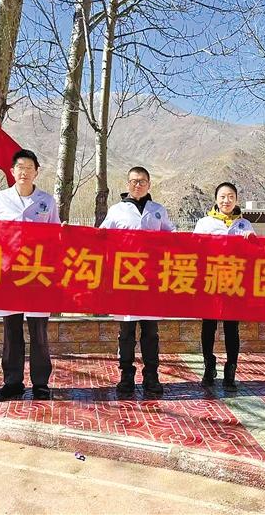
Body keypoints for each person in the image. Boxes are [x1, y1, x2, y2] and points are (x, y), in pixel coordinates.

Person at [0, 149, 60, 401]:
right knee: (11, 331)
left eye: (29, 168)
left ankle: (41, 383)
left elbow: (56, 236)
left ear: (36, 172)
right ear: (12, 171)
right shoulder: (0, 199)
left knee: (39, 332)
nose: (24, 172)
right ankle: (12, 382)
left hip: (37, 275)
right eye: (20, 167)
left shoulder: (47, 201)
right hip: (9, 275)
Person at [100, 166, 175, 396]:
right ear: (127, 184)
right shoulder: (116, 211)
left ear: (149, 184)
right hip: (125, 280)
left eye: (142, 181)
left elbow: (173, 238)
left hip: (151, 281)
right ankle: (126, 376)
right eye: (134, 181)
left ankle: (151, 376)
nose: (138, 185)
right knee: (126, 332)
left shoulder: (158, 210)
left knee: (151, 332)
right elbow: (100, 237)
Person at [193, 182, 254, 390]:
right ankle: (209, 366)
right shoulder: (204, 223)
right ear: (216, 199)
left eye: (230, 197)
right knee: (208, 326)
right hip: (210, 280)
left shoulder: (245, 224)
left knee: (231, 328)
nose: (226, 201)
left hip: (234, 281)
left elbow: (254, 255)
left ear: (236, 199)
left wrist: (251, 242)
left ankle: (230, 370)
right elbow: (194, 249)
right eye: (222, 196)